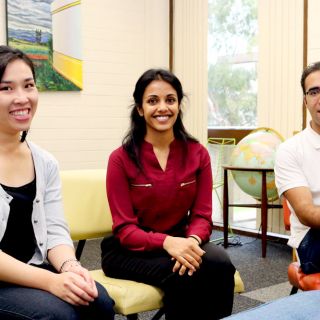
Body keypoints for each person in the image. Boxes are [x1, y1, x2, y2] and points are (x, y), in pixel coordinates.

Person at [101, 68, 236, 320]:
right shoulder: (120, 159)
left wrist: (192, 242)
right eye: (153, 101)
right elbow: (125, 229)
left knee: (221, 263)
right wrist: (167, 243)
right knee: (185, 273)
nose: (162, 107)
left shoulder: (197, 153)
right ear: (140, 109)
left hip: (183, 241)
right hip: (127, 251)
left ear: (178, 105)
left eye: (170, 100)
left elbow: (202, 216)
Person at [0, 45, 115, 319]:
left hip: (33, 268)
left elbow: (54, 229)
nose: (22, 97)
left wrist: (70, 267)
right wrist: (51, 282)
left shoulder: (45, 162)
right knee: (58, 315)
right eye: (6, 88)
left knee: (98, 302)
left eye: (28, 85)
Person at [275, 61, 320, 275]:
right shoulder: (290, 150)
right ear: (306, 100)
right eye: (314, 92)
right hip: (313, 239)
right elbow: (307, 213)